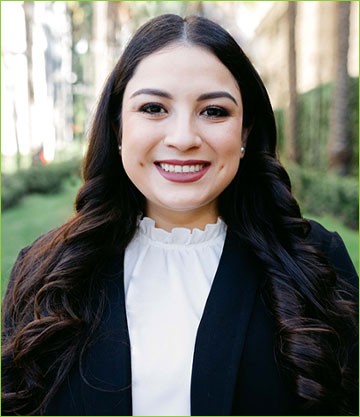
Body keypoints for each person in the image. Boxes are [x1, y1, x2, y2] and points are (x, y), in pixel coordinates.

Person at [2, 14, 358, 416]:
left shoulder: (317, 265)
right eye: (154, 108)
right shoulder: (44, 275)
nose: (184, 138)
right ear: (118, 127)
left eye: (214, 111)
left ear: (245, 132)